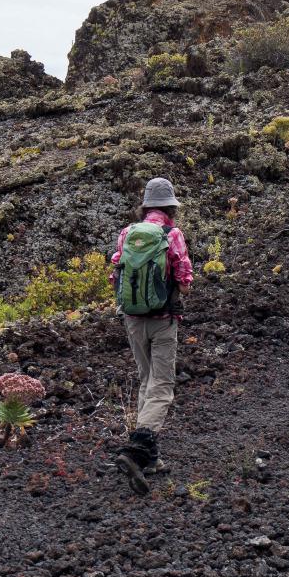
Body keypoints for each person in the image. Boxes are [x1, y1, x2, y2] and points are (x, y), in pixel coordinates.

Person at [108, 177, 194, 495]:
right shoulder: (172, 234)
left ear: (145, 207)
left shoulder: (128, 234)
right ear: (171, 207)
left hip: (132, 319)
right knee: (163, 388)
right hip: (163, 319)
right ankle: (137, 448)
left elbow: (115, 271)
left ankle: (151, 458)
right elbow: (184, 280)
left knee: (146, 380)